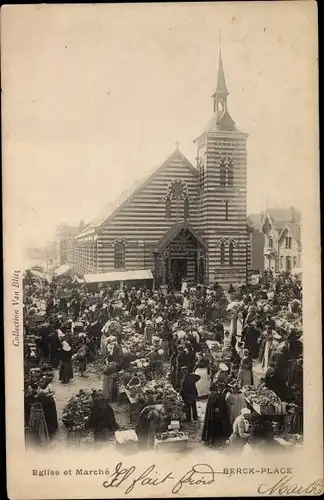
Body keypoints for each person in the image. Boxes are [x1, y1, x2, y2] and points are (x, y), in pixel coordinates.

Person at [202, 382, 232, 447]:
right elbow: (220, 404)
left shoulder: (211, 394)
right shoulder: (217, 395)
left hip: (211, 414)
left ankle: (209, 440)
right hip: (215, 415)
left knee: (210, 427)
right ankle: (215, 442)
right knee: (215, 428)